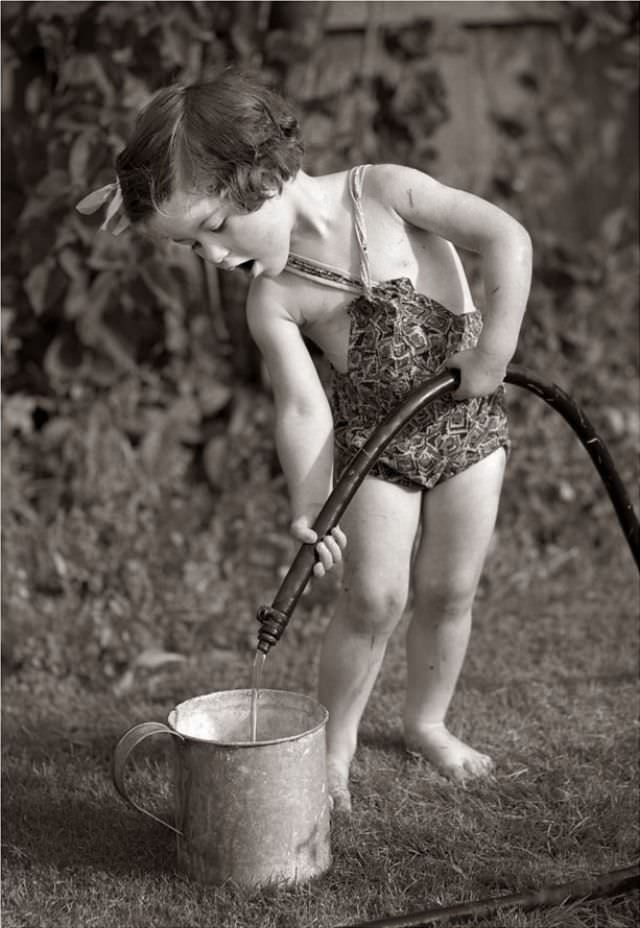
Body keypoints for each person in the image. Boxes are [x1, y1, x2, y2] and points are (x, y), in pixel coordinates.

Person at [77, 70, 532, 813]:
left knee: (451, 591)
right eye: (194, 248)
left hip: (468, 428)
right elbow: (302, 408)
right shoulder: (275, 298)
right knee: (374, 598)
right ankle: (335, 745)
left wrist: (492, 355)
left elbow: (506, 238)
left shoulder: (384, 192)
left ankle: (427, 722)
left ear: (267, 175)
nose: (216, 259)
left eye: (216, 228)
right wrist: (310, 501)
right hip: (373, 454)